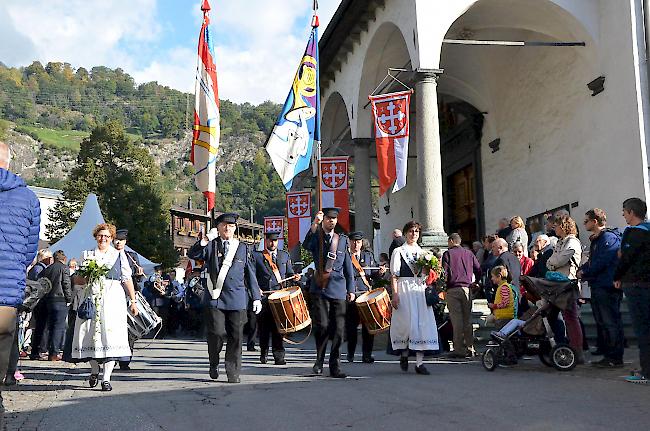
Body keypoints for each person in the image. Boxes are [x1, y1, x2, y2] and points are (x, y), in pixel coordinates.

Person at [188, 213, 262, 383]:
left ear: (235, 228)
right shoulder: (211, 245)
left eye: (231, 225)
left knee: (236, 336)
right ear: (218, 228)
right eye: (224, 225)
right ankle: (214, 362)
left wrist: (256, 297)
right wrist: (206, 239)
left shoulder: (243, 248)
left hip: (237, 298)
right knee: (217, 333)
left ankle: (232, 371)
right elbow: (193, 254)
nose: (227, 228)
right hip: (215, 297)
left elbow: (250, 274)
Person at [70, 223, 138, 392]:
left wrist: (133, 300)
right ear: (96, 237)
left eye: (107, 236)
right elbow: (77, 281)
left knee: (111, 337)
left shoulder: (119, 255)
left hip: (113, 299)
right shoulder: (87, 255)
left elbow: (126, 279)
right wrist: (84, 275)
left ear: (111, 238)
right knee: (89, 335)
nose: (103, 239)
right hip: (92, 298)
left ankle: (106, 378)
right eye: (101, 236)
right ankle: (94, 369)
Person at [0, 141, 40, 425]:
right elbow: (29, 252)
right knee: (3, 340)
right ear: (10, 163)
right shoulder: (29, 199)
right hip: (6, 290)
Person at [303, 208, 355, 378]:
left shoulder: (342, 240)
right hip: (320, 288)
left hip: (338, 289)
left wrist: (351, 289)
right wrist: (314, 224)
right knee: (323, 326)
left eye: (334, 218)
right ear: (323, 219)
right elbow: (306, 245)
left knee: (339, 330)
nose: (331, 221)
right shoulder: (316, 236)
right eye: (328, 218)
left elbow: (348, 266)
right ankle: (319, 360)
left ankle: (335, 365)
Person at [389, 221, 439, 375]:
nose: (414, 234)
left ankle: (419, 363)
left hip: (419, 290)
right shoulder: (399, 251)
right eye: (411, 231)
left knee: (421, 324)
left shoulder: (424, 253)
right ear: (405, 233)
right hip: (404, 289)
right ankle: (404, 353)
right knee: (407, 324)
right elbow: (394, 275)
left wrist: (428, 269)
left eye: (416, 231)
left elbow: (425, 276)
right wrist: (395, 294)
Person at [577, 209, 623, 368]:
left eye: (586, 221)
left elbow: (601, 262)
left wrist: (584, 272)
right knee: (603, 321)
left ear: (594, 221)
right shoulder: (598, 239)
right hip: (598, 284)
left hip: (607, 285)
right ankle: (607, 353)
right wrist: (583, 268)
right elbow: (593, 261)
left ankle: (615, 357)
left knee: (610, 321)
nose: (584, 224)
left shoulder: (608, 238)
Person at [614, 198, 650, 384]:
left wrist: (617, 277)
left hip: (636, 285)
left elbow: (625, 258)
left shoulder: (633, 233)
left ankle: (647, 372)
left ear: (631, 212)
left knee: (643, 329)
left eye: (624, 211)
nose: (623, 215)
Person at [252, 232, 300, 365]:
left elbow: (290, 273)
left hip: (280, 297)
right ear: (266, 241)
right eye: (270, 241)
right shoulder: (257, 256)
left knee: (279, 328)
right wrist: (257, 290)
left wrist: (295, 277)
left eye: (275, 241)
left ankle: (279, 356)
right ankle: (264, 352)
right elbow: (252, 276)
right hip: (264, 297)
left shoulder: (284, 255)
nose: (273, 243)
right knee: (264, 328)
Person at [546, 214, 584, 364]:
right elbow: (551, 261)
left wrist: (553, 262)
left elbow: (560, 259)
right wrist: (553, 262)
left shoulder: (572, 242)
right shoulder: (561, 242)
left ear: (563, 226)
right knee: (554, 316)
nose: (554, 228)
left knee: (571, 318)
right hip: (558, 284)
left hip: (568, 284)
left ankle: (577, 351)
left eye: (556, 225)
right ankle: (561, 347)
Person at [345, 231, 385, 363]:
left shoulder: (368, 256)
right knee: (351, 327)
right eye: (353, 241)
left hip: (365, 295)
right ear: (349, 242)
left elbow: (373, 274)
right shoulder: (345, 256)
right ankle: (350, 353)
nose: (356, 244)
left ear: (361, 243)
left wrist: (380, 273)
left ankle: (367, 354)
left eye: (358, 242)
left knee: (369, 327)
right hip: (352, 295)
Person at [442, 233, 482, 358]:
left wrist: (443, 285)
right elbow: (478, 269)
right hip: (467, 288)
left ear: (451, 241)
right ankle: (470, 348)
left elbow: (445, 272)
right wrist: (476, 282)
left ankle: (458, 349)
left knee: (457, 320)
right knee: (467, 319)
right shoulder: (469, 253)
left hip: (453, 289)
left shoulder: (447, 254)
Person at [113, 229, 145, 371]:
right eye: (116, 240)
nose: (118, 242)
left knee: (129, 328)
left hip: (128, 295)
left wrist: (138, 275)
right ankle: (111, 358)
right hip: (112, 294)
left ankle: (125, 360)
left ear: (125, 242)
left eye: (121, 240)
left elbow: (136, 279)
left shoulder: (131, 256)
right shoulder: (109, 254)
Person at [37, 250, 72, 361]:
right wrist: (69, 298)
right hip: (60, 299)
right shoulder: (64, 268)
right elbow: (66, 283)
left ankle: (48, 349)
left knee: (50, 327)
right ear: (64, 258)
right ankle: (54, 353)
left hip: (49, 300)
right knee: (59, 327)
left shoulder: (47, 269)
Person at [28, 248, 53, 360]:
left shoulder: (37, 268)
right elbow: (40, 286)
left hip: (38, 300)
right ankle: (36, 350)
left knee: (40, 326)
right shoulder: (39, 269)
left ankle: (37, 349)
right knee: (40, 326)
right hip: (39, 301)